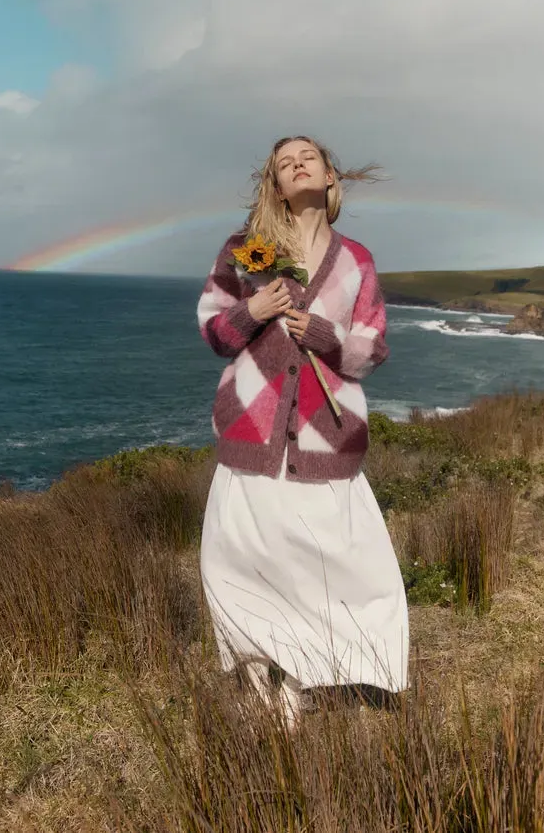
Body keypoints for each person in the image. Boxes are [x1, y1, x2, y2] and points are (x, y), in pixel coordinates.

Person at [197, 136, 409, 728]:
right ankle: (262, 679)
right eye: (284, 162)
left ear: (330, 176)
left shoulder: (357, 260)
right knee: (238, 563)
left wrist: (322, 334)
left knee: (331, 564)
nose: (296, 164)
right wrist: (254, 310)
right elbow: (214, 333)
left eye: (307, 156)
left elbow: (371, 350)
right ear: (275, 184)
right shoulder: (245, 250)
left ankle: (306, 675)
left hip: (325, 437)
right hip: (252, 431)